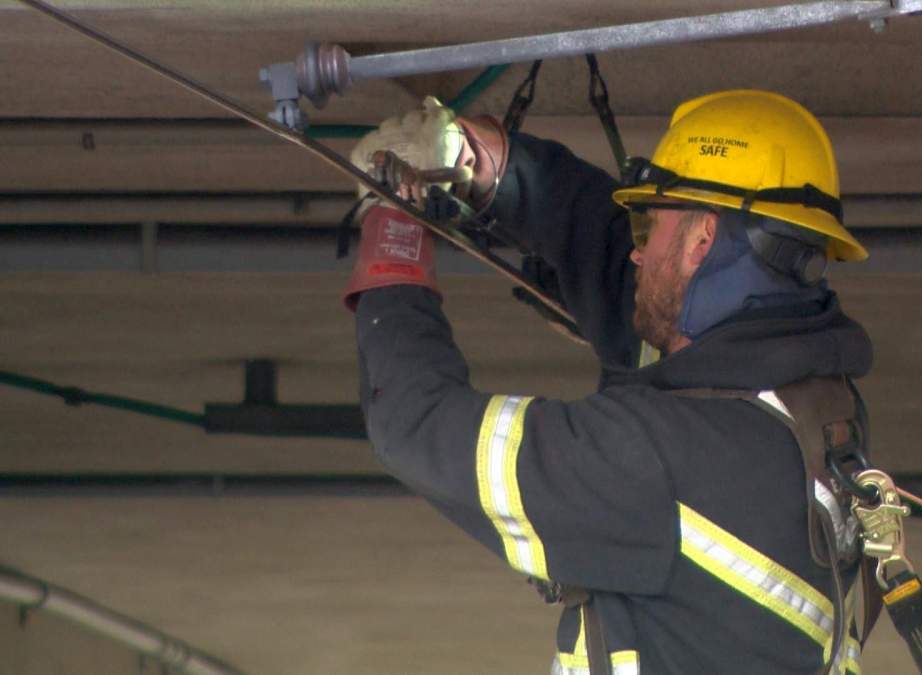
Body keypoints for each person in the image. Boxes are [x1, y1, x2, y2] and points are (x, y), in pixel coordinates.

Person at [344, 89, 874, 674]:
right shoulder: (805, 407)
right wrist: (498, 169)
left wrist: (392, 232)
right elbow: (647, 303)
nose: (638, 255)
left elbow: (418, 424)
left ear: (703, 242)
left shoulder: (657, 463)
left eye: (650, 230)